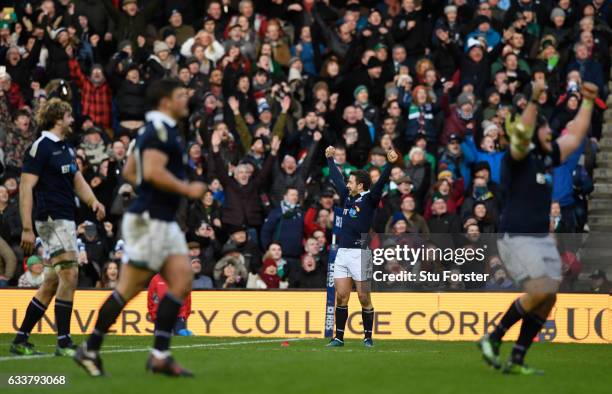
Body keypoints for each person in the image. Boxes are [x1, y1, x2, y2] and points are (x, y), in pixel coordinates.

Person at [74, 79, 205, 377]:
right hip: (150, 220)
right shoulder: (159, 132)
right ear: (165, 101)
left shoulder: (150, 131)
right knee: (129, 288)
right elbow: (154, 171)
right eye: (181, 95)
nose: (186, 100)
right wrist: (186, 189)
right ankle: (91, 348)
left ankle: (157, 354)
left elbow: (133, 171)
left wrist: (155, 189)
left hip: (160, 219)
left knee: (182, 280)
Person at [478, 81, 598, 374]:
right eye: (547, 131)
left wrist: (588, 101)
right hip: (517, 237)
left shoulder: (546, 157)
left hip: (540, 237)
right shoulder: (518, 157)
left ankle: (517, 359)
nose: (554, 135)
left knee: (549, 296)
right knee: (541, 290)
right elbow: (519, 135)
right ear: (537, 132)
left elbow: (575, 136)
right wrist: (532, 98)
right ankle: (493, 337)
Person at [10, 98, 105, 357]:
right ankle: (63, 342)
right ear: (57, 118)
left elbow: (77, 179)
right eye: (68, 115)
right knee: (70, 274)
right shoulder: (40, 147)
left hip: (64, 218)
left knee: (52, 281)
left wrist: (93, 200)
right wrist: (27, 228)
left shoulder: (65, 148)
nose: (72, 119)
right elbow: (26, 187)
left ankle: (20, 339)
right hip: (50, 219)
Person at [324, 145, 398, 348]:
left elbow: (381, 183)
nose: (347, 184)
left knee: (364, 297)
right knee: (341, 296)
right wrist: (330, 159)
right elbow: (337, 179)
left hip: (361, 253)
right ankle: (338, 337)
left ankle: (368, 337)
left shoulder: (370, 199)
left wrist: (390, 164)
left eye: (351, 182)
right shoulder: (347, 197)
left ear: (361, 185)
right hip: (342, 252)